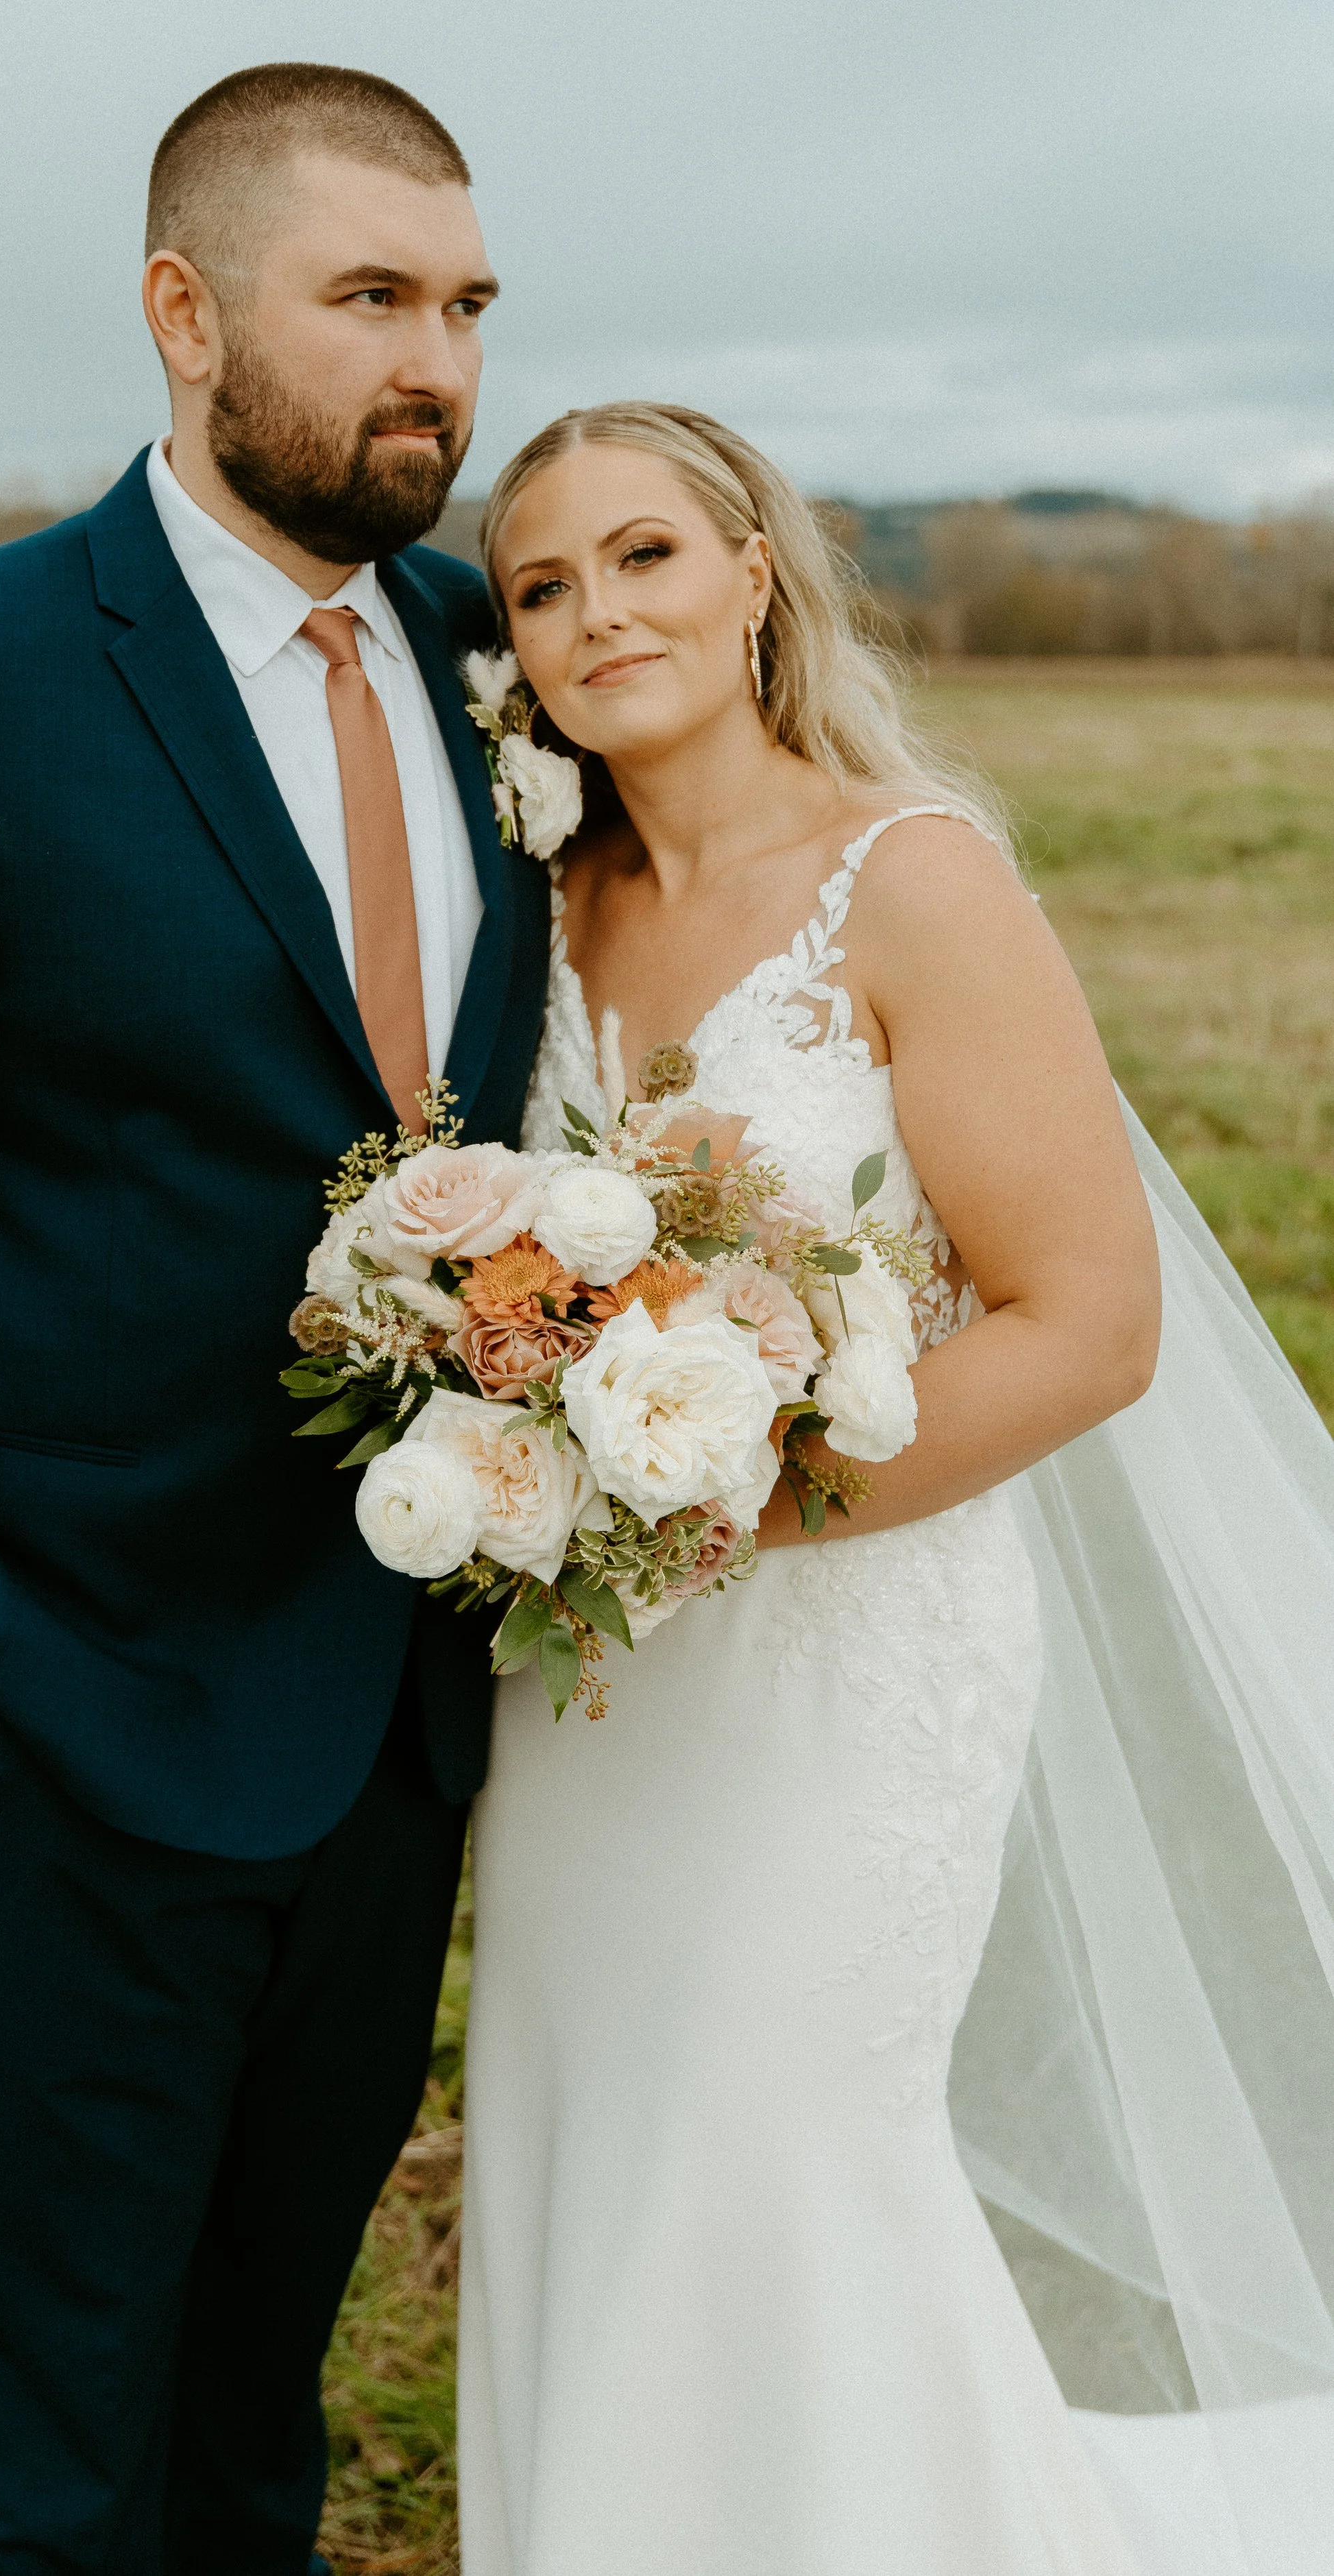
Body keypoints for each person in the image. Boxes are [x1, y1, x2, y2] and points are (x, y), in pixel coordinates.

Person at [0, 63, 548, 2576]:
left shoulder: (507, 656)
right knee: (66, 2429)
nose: (439, 365)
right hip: (74, 1703)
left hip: (403, 1706)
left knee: (259, 2393)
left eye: (467, 304)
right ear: (182, 313)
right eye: (369, 295)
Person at [457, 403, 1334, 2574]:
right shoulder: (539, 911)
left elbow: (1082, 1321)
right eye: (544, 587)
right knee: (602, 2142)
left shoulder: (906, 874)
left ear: (754, 574)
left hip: (854, 1658)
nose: (600, 615)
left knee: (782, 2150)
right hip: (593, 1689)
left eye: (645, 555)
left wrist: (718, 1512)